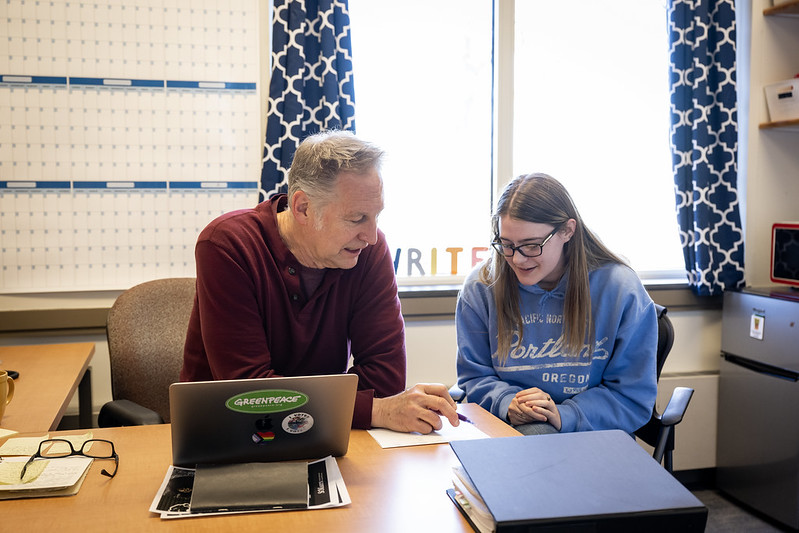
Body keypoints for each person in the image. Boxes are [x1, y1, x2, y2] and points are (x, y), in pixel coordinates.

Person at [181, 130, 459, 434]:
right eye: (356, 219)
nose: (370, 235)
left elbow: (385, 377)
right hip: (228, 434)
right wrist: (373, 410)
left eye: (376, 216)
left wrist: (351, 408)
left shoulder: (368, 250)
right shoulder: (227, 246)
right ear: (303, 208)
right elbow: (250, 394)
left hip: (326, 433)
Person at [455, 173, 657, 435]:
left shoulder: (620, 290)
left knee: (540, 435)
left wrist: (564, 415)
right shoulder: (481, 289)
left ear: (567, 230)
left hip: (591, 434)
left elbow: (631, 395)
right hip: (508, 432)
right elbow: (475, 377)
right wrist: (507, 403)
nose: (517, 259)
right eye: (506, 245)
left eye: (531, 245)